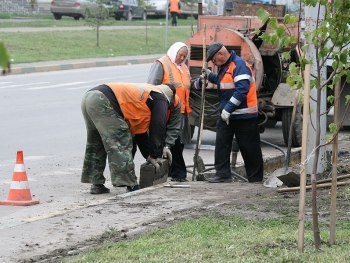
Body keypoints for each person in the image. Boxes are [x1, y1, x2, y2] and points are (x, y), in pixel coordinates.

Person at [81, 82, 177, 194]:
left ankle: (96, 183)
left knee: (96, 143)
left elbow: (140, 134)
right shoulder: (161, 98)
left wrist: (149, 155)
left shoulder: (147, 91)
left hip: (89, 97)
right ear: (170, 98)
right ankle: (130, 184)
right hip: (105, 100)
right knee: (121, 141)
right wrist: (155, 154)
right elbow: (158, 127)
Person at [194, 42, 264, 183]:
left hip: (245, 116)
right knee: (222, 143)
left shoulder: (239, 66)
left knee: (249, 148)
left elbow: (241, 90)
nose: (214, 63)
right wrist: (210, 75)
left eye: (214, 60)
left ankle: (256, 179)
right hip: (228, 116)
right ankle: (223, 174)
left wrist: (227, 110)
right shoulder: (225, 66)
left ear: (221, 54)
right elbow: (223, 82)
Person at [147, 42, 192, 182]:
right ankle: (179, 173)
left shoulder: (183, 68)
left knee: (181, 142)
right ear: (174, 52)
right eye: (180, 55)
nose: (182, 58)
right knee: (174, 142)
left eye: (184, 56)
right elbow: (151, 86)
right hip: (166, 111)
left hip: (182, 110)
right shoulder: (161, 64)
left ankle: (172, 171)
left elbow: (185, 87)